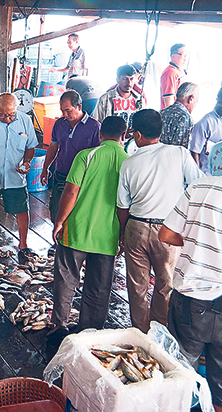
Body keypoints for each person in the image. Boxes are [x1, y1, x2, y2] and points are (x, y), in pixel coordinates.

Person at [159, 145, 222, 412]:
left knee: (178, 375)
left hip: (188, 302)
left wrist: (199, 241)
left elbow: (166, 234)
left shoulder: (201, 186)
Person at [116, 109, 203, 333]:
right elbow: (197, 186)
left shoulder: (129, 163)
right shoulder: (180, 154)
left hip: (136, 225)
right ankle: (159, 331)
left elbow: (122, 206)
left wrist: (123, 233)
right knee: (166, 284)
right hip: (169, 228)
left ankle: (140, 333)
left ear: (136, 135)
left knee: (137, 286)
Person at [49, 116, 129, 340]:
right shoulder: (128, 161)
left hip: (77, 229)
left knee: (66, 279)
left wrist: (59, 221)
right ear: (124, 136)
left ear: (100, 133)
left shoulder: (86, 156)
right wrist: (121, 233)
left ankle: (60, 325)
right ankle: (90, 331)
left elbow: (71, 192)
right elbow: (126, 205)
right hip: (108, 235)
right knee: (100, 286)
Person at [0, 93, 38, 260]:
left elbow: (30, 146)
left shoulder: (25, 120)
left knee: (22, 209)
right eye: (3, 115)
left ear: (16, 109)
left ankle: (23, 244)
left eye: (11, 114)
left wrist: (27, 162)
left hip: (15, 176)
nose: (7, 118)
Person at [39, 90, 100, 253]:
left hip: (83, 178)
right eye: (62, 111)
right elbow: (53, 147)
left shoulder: (94, 126)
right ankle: (57, 241)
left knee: (79, 210)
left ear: (79, 106)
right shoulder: (59, 124)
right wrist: (45, 168)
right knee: (55, 208)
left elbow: (97, 155)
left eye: (68, 110)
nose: (65, 114)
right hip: (61, 174)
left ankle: (77, 244)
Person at [189, 86, 222, 175]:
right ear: (216, 100)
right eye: (221, 103)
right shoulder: (206, 122)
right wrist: (197, 176)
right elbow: (194, 151)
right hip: (209, 175)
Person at [160, 81, 199, 148]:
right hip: (172, 157)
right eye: (196, 102)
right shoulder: (185, 117)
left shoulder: (161, 113)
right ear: (191, 99)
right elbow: (181, 149)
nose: (195, 105)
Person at [161, 43, 189, 109]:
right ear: (173, 56)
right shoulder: (170, 72)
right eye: (183, 55)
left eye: (187, 55)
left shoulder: (180, 71)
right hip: (174, 114)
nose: (185, 58)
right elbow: (168, 99)